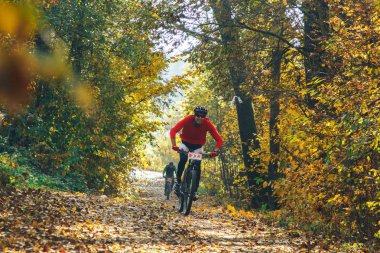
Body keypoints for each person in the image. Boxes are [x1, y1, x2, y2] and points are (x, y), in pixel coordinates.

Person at [170, 106, 223, 200]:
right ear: (194, 115)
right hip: (185, 144)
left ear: (205, 117)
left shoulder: (207, 123)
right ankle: (178, 183)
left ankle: (194, 191)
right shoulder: (188, 119)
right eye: (198, 115)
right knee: (183, 160)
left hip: (198, 147)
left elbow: (219, 140)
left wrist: (215, 151)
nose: (200, 118)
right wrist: (174, 145)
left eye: (202, 116)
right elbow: (173, 130)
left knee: (197, 166)